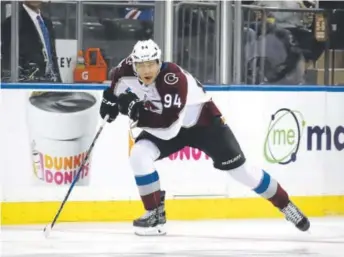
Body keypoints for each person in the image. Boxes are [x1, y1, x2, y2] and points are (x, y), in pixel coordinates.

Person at [99, 39, 310, 236]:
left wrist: (135, 110)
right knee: (139, 155)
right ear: (133, 64)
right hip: (168, 121)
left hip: (203, 123)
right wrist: (109, 101)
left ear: (159, 61)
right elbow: (115, 88)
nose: (146, 70)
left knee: (242, 172)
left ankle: (286, 205)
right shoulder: (124, 70)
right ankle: (155, 216)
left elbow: (168, 128)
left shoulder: (173, 79)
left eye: (151, 65)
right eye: (141, 65)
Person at [1, 1, 61, 82]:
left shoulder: (47, 23)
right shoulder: (11, 23)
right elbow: (8, 61)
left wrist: (59, 84)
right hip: (26, 85)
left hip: (49, 83)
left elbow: (52, 56)